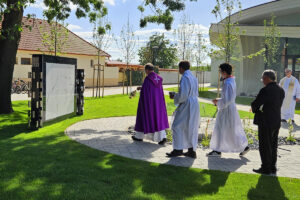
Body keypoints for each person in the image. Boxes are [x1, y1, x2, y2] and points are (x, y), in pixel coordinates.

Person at [207, 63, 249, 157]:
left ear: (224, 72)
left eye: (220, 71)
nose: (220, 73)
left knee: (224, 128)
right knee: (230, 129)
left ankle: (218, 150)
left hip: (227, 110)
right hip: (229, 108)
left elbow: (227, 100)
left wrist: (217, 102)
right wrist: (219, 101)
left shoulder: (228, 83)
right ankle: (218, 149)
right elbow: (228, 98)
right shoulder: (230, 81)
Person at [251, 70, 285, 175]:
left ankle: (265, 167)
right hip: (276, 120)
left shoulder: (266, 90)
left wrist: (256, 110)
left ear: (267, 78)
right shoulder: (281, 90)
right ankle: (272, 167)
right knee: (273, 145)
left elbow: (255, 104)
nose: (262, 81)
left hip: (266, 121)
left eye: (263, 78)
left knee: (265, 145)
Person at [166, 61, 200, 158]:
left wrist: (175, 96)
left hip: (187, 103)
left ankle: (178, 149)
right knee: (191, 126)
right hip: (194, 102)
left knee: (177, 125)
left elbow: (184, 95)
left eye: (178, 68)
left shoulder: (185, 77)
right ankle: (191, 151)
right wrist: (178, 95)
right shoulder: (193, 77)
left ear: (181, 68)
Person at [132, 63, 169, 145]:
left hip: (149, 104)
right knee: (158, 119)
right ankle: (162, 137)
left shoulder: (148, 79)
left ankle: (139, 137)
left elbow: (146, 92)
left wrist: (141, 90)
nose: (145, 72)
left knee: (143, 116)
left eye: (145, 71)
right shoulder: (158, 78)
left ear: (147, 70)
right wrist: (142, 88)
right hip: (158, 103)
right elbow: (152, 90)